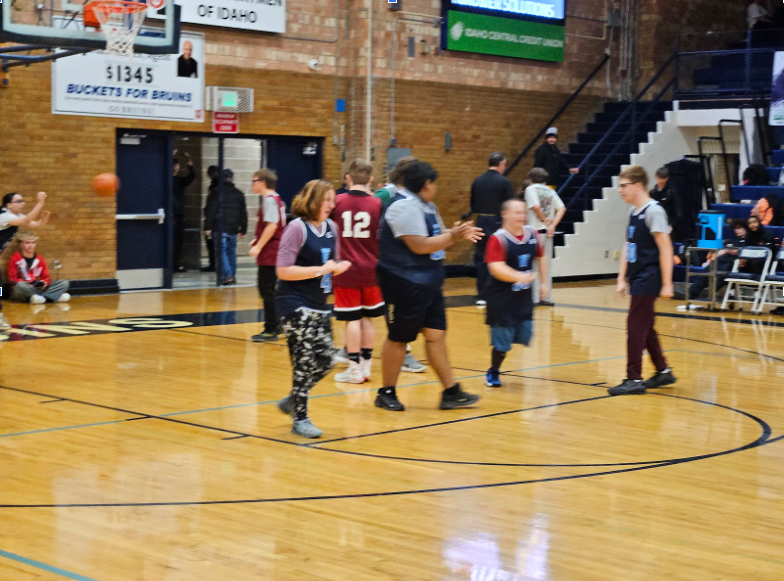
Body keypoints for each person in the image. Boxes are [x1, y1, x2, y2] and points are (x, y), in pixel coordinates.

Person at [375, 161, 483, 412]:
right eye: (434, 183)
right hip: (404, 282)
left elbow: (433, 233)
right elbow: (420, 245)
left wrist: (454, 231)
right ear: (426, 184)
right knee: (399, 337)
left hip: (428, 282)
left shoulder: (426, 206)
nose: (435, 187)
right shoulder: (402, 207)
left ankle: (450, 392)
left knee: (435, 335)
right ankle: (386, 392)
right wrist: (452, 237)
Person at [275, 180, 351, 438]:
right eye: (327, 200)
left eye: (333, 200)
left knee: (328, 360)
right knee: (304, 362)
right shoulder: (296, 228)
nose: (332, 205)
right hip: (294, 302)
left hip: (319, 304)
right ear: (314, 201)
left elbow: (332, 262)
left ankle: (293, 400)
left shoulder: (332, 228)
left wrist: (339, 267)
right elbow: (283, 270)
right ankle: (301, 418)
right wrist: (322, 269)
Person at [611, 166, 676, 396]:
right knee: (646, 326)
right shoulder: (634, 212)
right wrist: (621, 277)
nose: (620, 190)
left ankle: (633, 378)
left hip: (649, 277)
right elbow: (628, 245)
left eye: (624, 186)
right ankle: (663, 371)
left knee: (635, 326)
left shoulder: (653, 211)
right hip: (638, 276)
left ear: (638, 186)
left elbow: (665, 247)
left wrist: (667, 283)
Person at [331, 159, 384, 384]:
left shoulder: (337, 201)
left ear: (348, 178)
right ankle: (366, 367)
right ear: (370, 179)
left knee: (351, 319)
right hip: (372, 269)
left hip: (345, 269)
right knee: (368, 319)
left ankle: (353, 370)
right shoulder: (378, 203)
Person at [484, 199, 547, 388]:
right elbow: (495, 267)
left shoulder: (532, 234)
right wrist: (519, 276)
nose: (522, 216)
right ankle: (493, 371)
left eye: (523, 212)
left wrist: (544, 283)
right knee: (502, 343)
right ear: (505, 215)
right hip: (501, 299)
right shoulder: (498, 239)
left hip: (523, 299)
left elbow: (541, 256)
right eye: (517, 212)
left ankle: (506, 341)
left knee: (525, 333)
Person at [470, 152, 514, 307]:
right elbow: (510, 205)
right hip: (497, 222)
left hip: (481, 221)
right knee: (499, 258)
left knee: (482, 259)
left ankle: (481, 295)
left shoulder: (478, 180)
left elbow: (473, 205)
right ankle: (498, 292)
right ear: (501, 164)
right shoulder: (504, 182)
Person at [0, 191, 50, 329]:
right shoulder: (4, 216)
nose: (23, 203)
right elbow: (26, 221)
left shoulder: (16, 215)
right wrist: (39, 203)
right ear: (9, 205)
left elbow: (35, 225)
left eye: (23, 200)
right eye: (19, 201)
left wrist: (44, 219)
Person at [249, 168, 286, 341]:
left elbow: (272, 226)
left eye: (254, 181)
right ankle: (278, 324)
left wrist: (259, 246)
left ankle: (272, 327)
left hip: (271, 251)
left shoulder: (270, 201)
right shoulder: (276, 199)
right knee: (270, 289)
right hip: (273, 249)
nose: (252, 184)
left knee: (267, 289)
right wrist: (256, 241)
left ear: (262, 182)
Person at [675, 218, 748, 303]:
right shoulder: (731, 242)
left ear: (745, 228)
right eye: (735, 229)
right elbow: (719, 253)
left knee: (724, 268)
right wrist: (722, 252)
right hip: (722, 261)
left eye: (739, 228)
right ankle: (691, 292)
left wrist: (737, 252)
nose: (736, 231)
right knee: (709, 268)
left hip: (736, 264)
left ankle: (710, 294)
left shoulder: (748, 241)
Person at [524, 167, 564, 306]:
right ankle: (545, 297)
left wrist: (543, 220)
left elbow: (535, 207)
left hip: (534, 231)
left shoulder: (531, 189)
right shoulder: (550, 190)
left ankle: (534, 298)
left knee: (534, 265)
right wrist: (552, 224)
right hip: (547, 233)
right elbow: (562, 209)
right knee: (546, 265)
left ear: (531, 178)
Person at [205, 169, 247, 285]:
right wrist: (243, 228)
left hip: (220, 226)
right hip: (233, 228)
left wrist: (207, 226)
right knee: (231, 252)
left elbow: (211, 210)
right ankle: (232, 275)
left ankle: (227, 275)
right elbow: (243, 212)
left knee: (221, 251)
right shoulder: (239, 193)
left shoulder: (217, 192)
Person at [8, 231, 70, 304]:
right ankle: (51, 297)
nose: (30, 245)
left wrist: (44, 283)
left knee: (64, 283)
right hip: (24, 288)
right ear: (21, 244)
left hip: (37, 288)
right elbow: (13, 279)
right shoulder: (15, 258)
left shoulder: (40, 259)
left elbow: (46, 277)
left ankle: (40, 298)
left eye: (33, 242)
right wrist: (29, 283)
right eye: (27, 243)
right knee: (20, 286)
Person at [172, 150, 195, 272]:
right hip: (170, 214)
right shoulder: (165, 179)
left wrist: (188, 160)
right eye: (173, 166)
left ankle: (175, 264)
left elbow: (192, 176)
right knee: (170, 240)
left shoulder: (179, 181)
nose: (175, 168)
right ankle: (169, 264)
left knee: (178, 241)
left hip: (179, 214)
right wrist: (171, 154)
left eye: (177, 166)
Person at [201, 165, 219, 273]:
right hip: (214, 218)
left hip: (213, 219)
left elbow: (211, 205)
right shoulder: (215, 185)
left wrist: (208, 221)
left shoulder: (215, 187)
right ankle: (214, 264)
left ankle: (213, 265)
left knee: (211, 243)